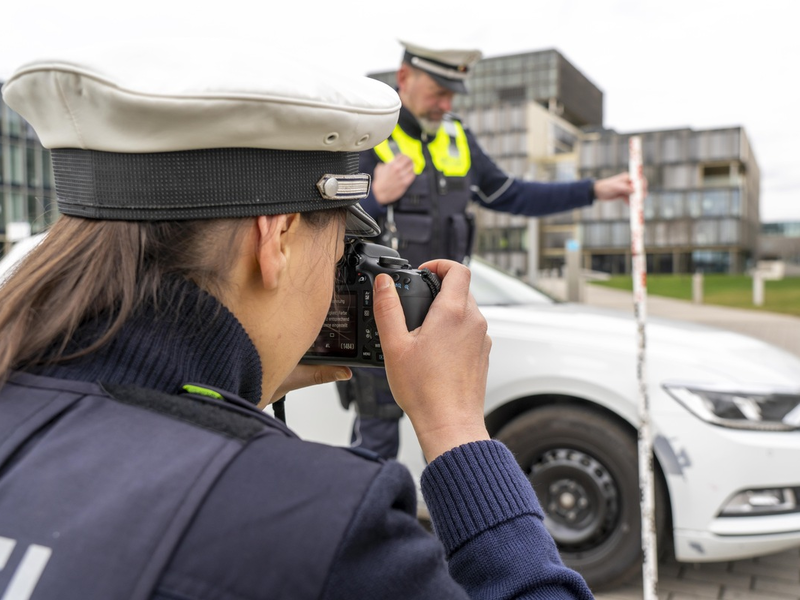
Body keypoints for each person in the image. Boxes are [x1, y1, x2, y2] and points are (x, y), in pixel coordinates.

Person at [0, 41, 595, 599]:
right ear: (277, 236)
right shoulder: (323, 524)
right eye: (341, 245)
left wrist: (240, 387)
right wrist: (459, 431)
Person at [339, 39, 645, 460]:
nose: (446, 104)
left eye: (452, 94)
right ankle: (375, 524)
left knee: (454, 436)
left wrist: (594, 190)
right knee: (376, 444)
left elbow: (512, 194)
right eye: (438, 92)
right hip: (382, 317)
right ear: (405, 79)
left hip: (444, 317)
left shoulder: (456, 136)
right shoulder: (367, 132)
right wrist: (377, 196)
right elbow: (329, 220)